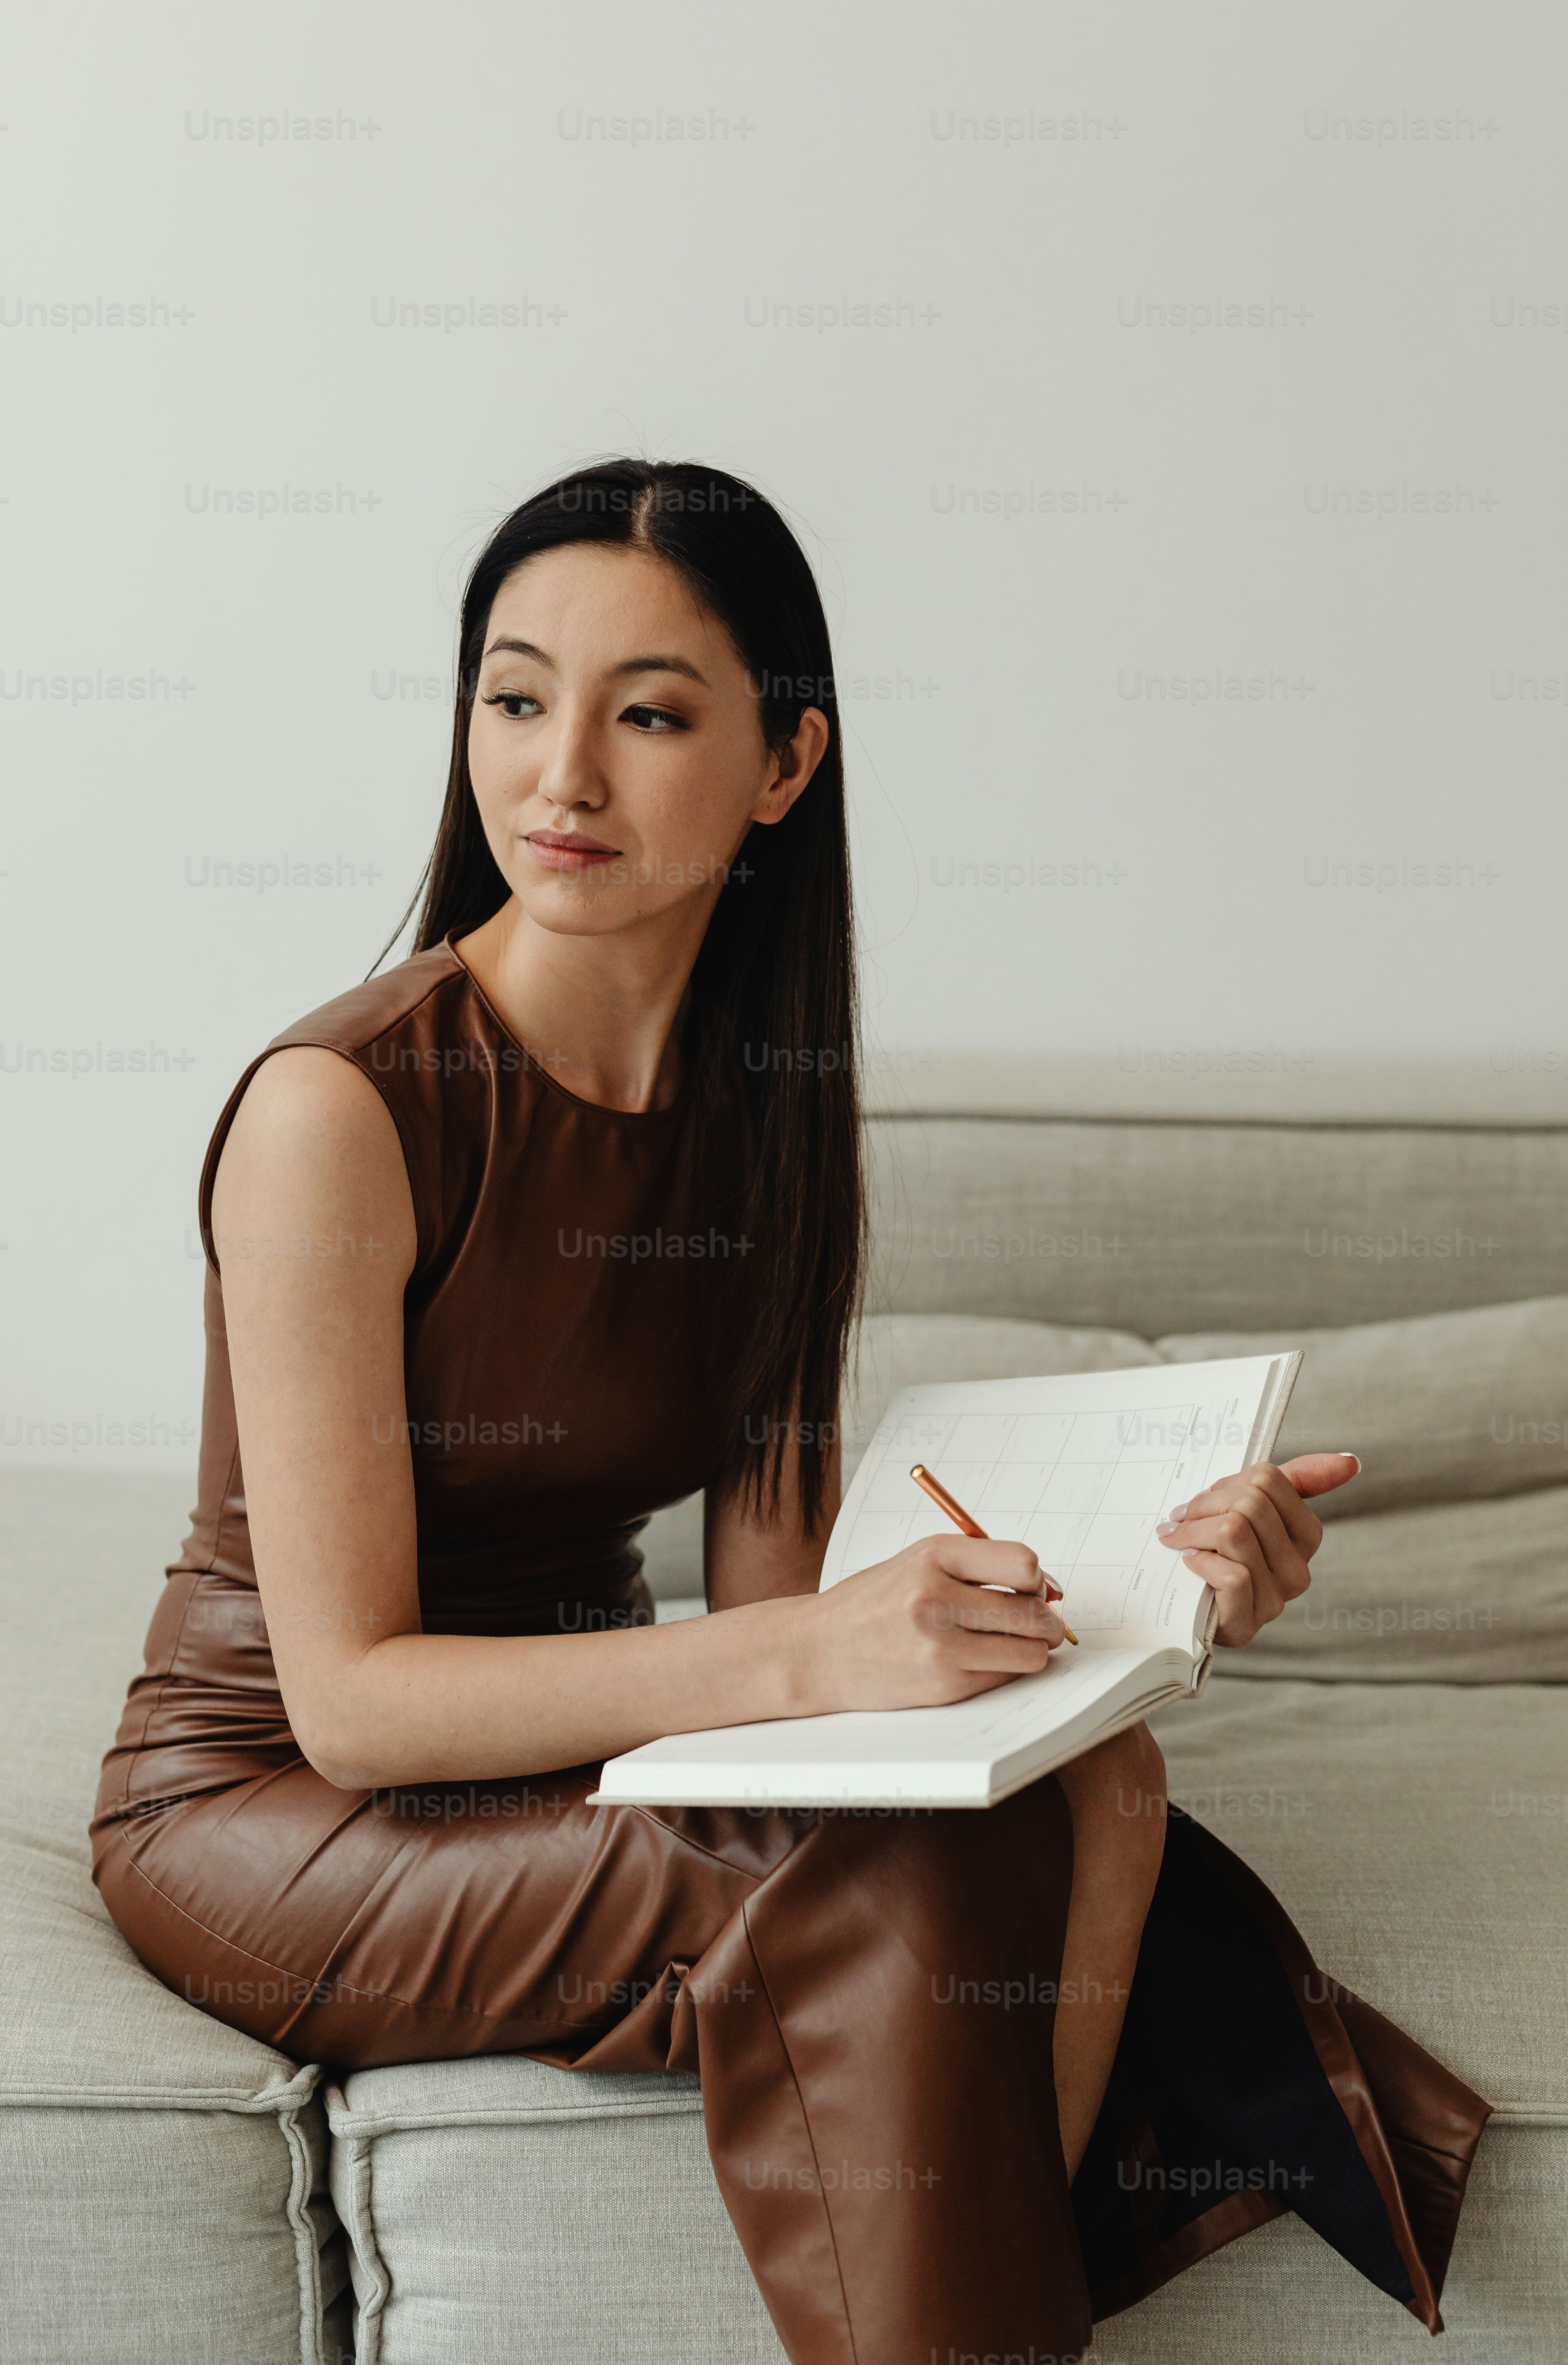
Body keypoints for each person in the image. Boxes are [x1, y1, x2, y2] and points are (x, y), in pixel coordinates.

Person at [92, 459, 1488, 2364]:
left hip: (565, 1765)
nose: (558, 775)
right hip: (277, 1806)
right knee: (920, 1877)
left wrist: (1150, 1596)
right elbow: (353, 1702)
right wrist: (812, 1650)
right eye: (515, 699)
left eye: (646, 713)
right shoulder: (340, 1108)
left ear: (783, 763)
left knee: (1100, 1786)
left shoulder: (762, 1104)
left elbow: (804, 1615)